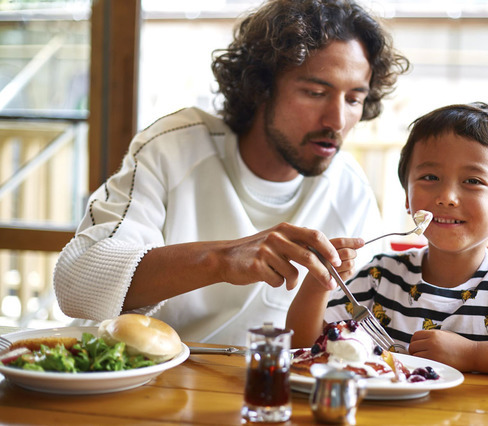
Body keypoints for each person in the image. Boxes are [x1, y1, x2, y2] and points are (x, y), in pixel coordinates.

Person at [53, 0, 410, 346]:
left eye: (353, 99)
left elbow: (354, 333)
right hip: (138, 382)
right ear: (261, 88)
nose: (337, 120)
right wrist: (221, 260)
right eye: (316, 92)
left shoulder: (349, 187)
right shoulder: (174, 148)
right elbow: (76, 283)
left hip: (258, 393)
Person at [286, 102, 488, 380]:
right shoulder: (380, 278)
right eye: (430, 178)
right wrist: (318, 283)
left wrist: (474, 354)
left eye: (473, 181)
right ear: (408, 198)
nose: (447, 197)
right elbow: (304, 348)